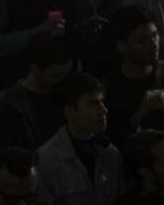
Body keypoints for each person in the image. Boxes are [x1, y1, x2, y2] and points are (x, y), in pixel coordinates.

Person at [35, 72, 125, 205]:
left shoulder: (111, 154)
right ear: (70, 112)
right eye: (92, 103)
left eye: (102, 102)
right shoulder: (46, 160)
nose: (103, 110)